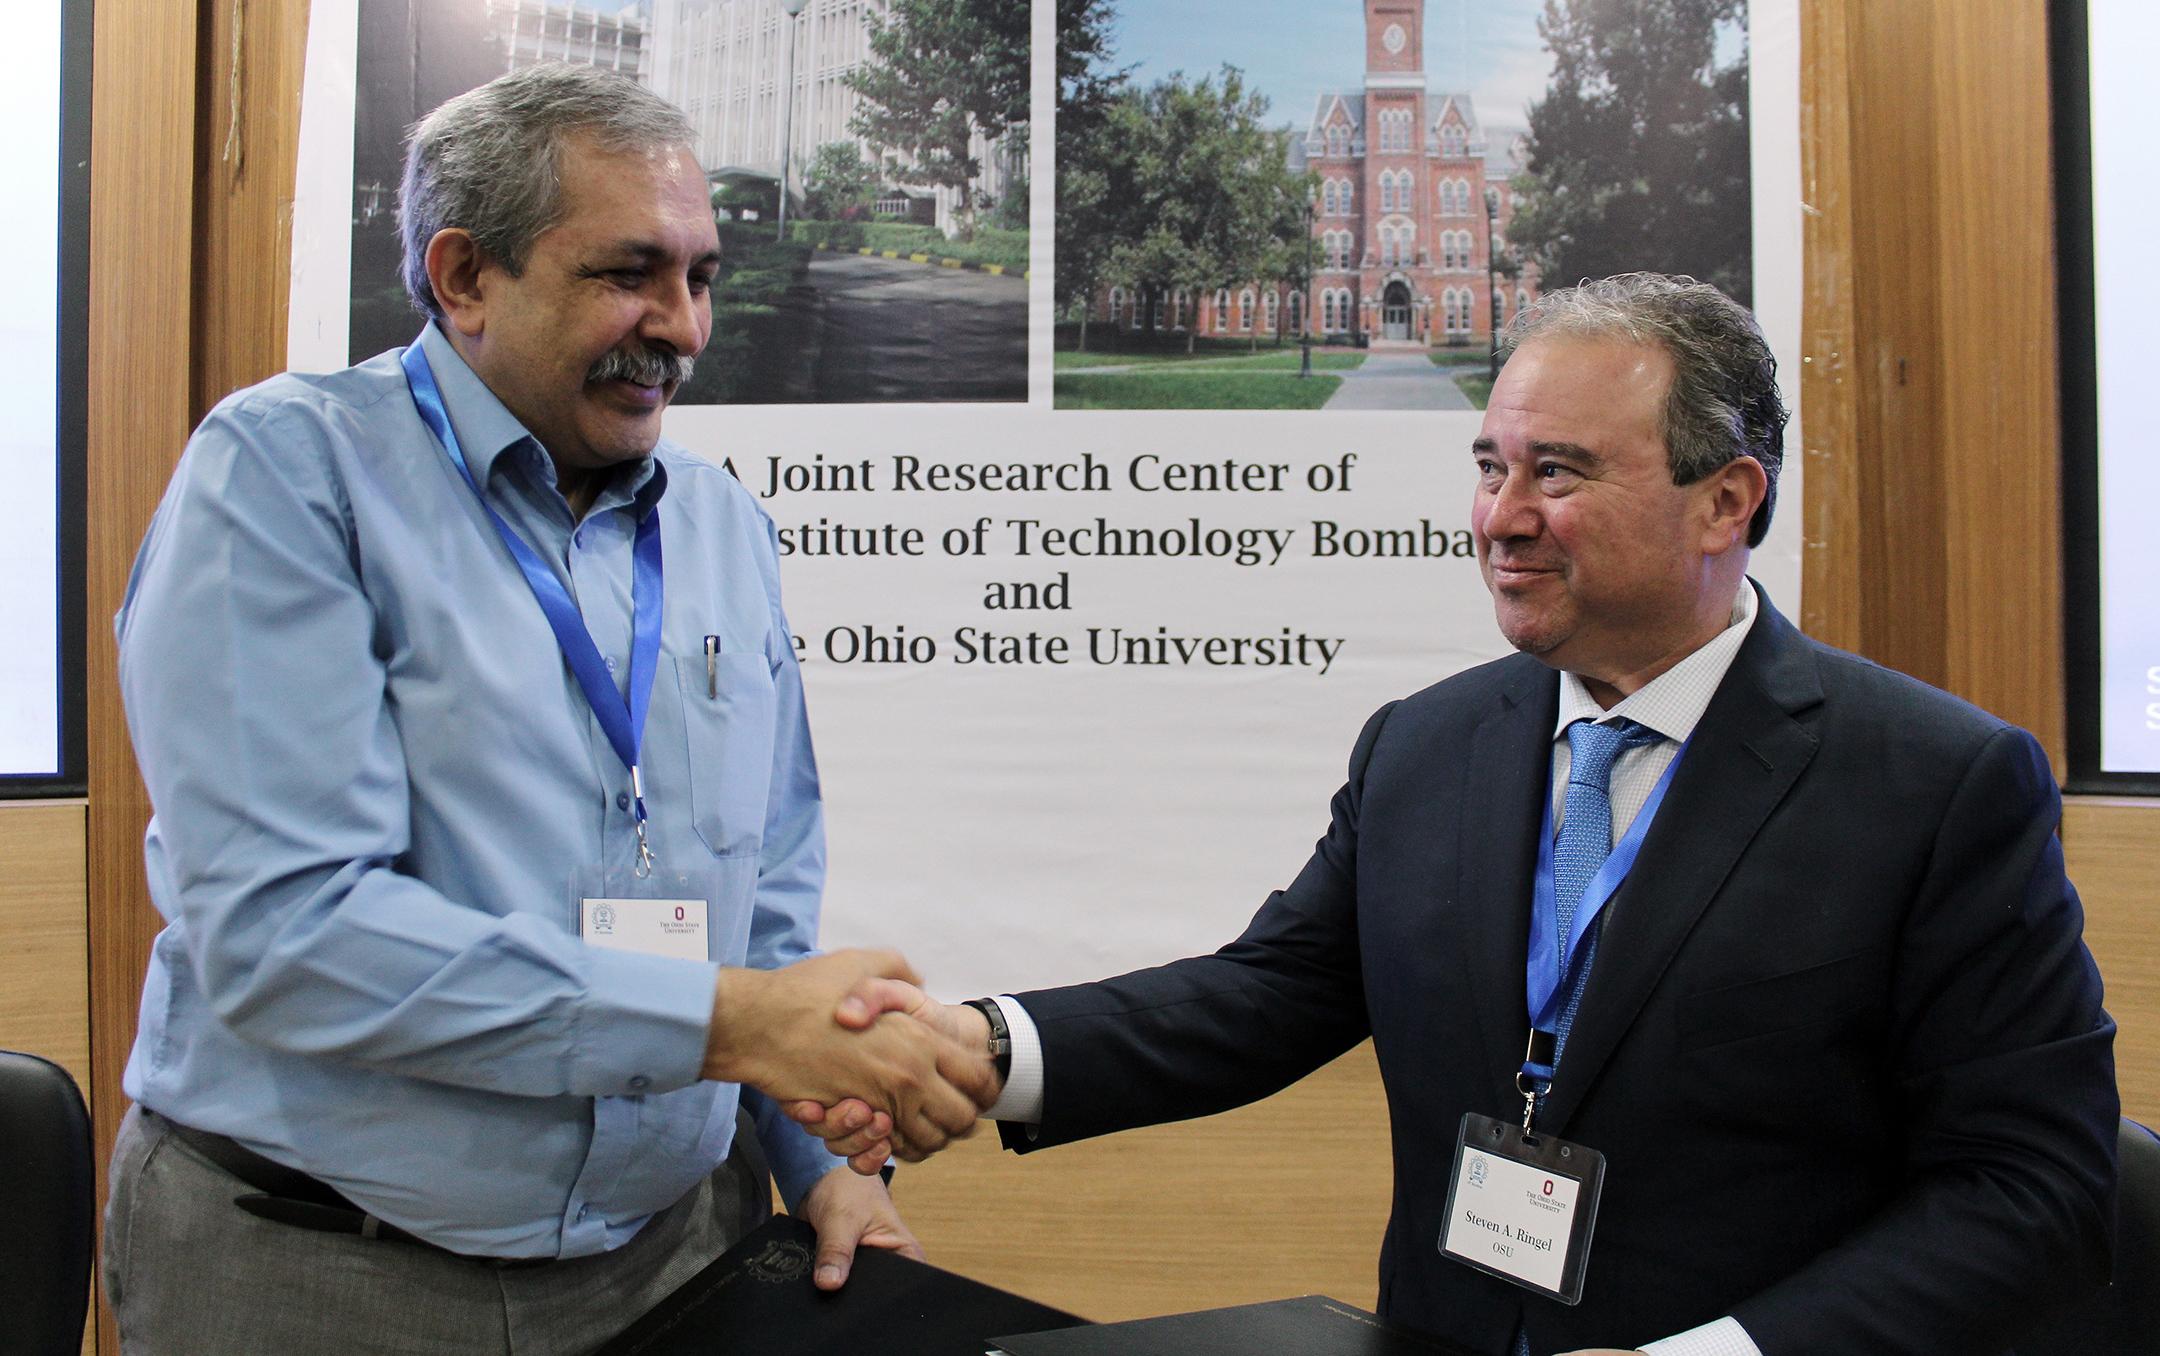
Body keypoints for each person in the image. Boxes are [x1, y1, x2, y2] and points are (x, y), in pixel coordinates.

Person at [793, 274, 2120, 1355]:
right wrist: (981, 1044)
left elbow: (2033, 1190)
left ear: (1729, 499)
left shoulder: (1938, 785)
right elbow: (1264, 999)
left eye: (1560, 472)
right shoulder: (1428, 746)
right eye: (1491, 466)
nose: (1502, 518)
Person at [103, 64, 993, 1355]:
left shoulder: (727, 530)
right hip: (326, 1275)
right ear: (464, 278)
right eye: (631, 273)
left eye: (700, 277)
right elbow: (291, 935)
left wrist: (821, 1163)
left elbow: (769, 902)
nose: (683, 327)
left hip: (676, 1254)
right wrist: (739, 1027)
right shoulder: (285, 482)